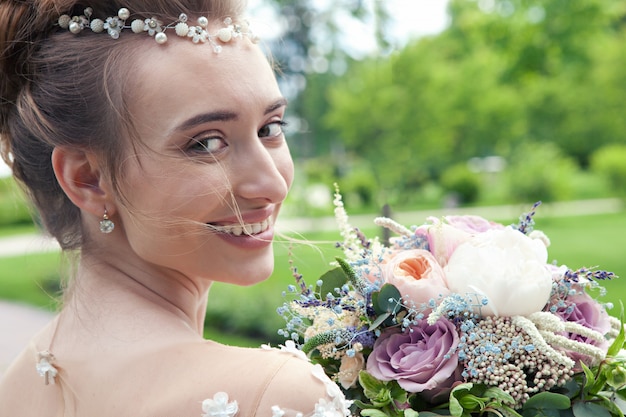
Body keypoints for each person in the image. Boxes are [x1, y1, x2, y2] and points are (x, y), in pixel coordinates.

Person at [0, 1, 352, 416]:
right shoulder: (270, 395)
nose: (273, 184)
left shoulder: (15, 387)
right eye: (206, 143)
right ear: (89, 179)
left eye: (270, 128)